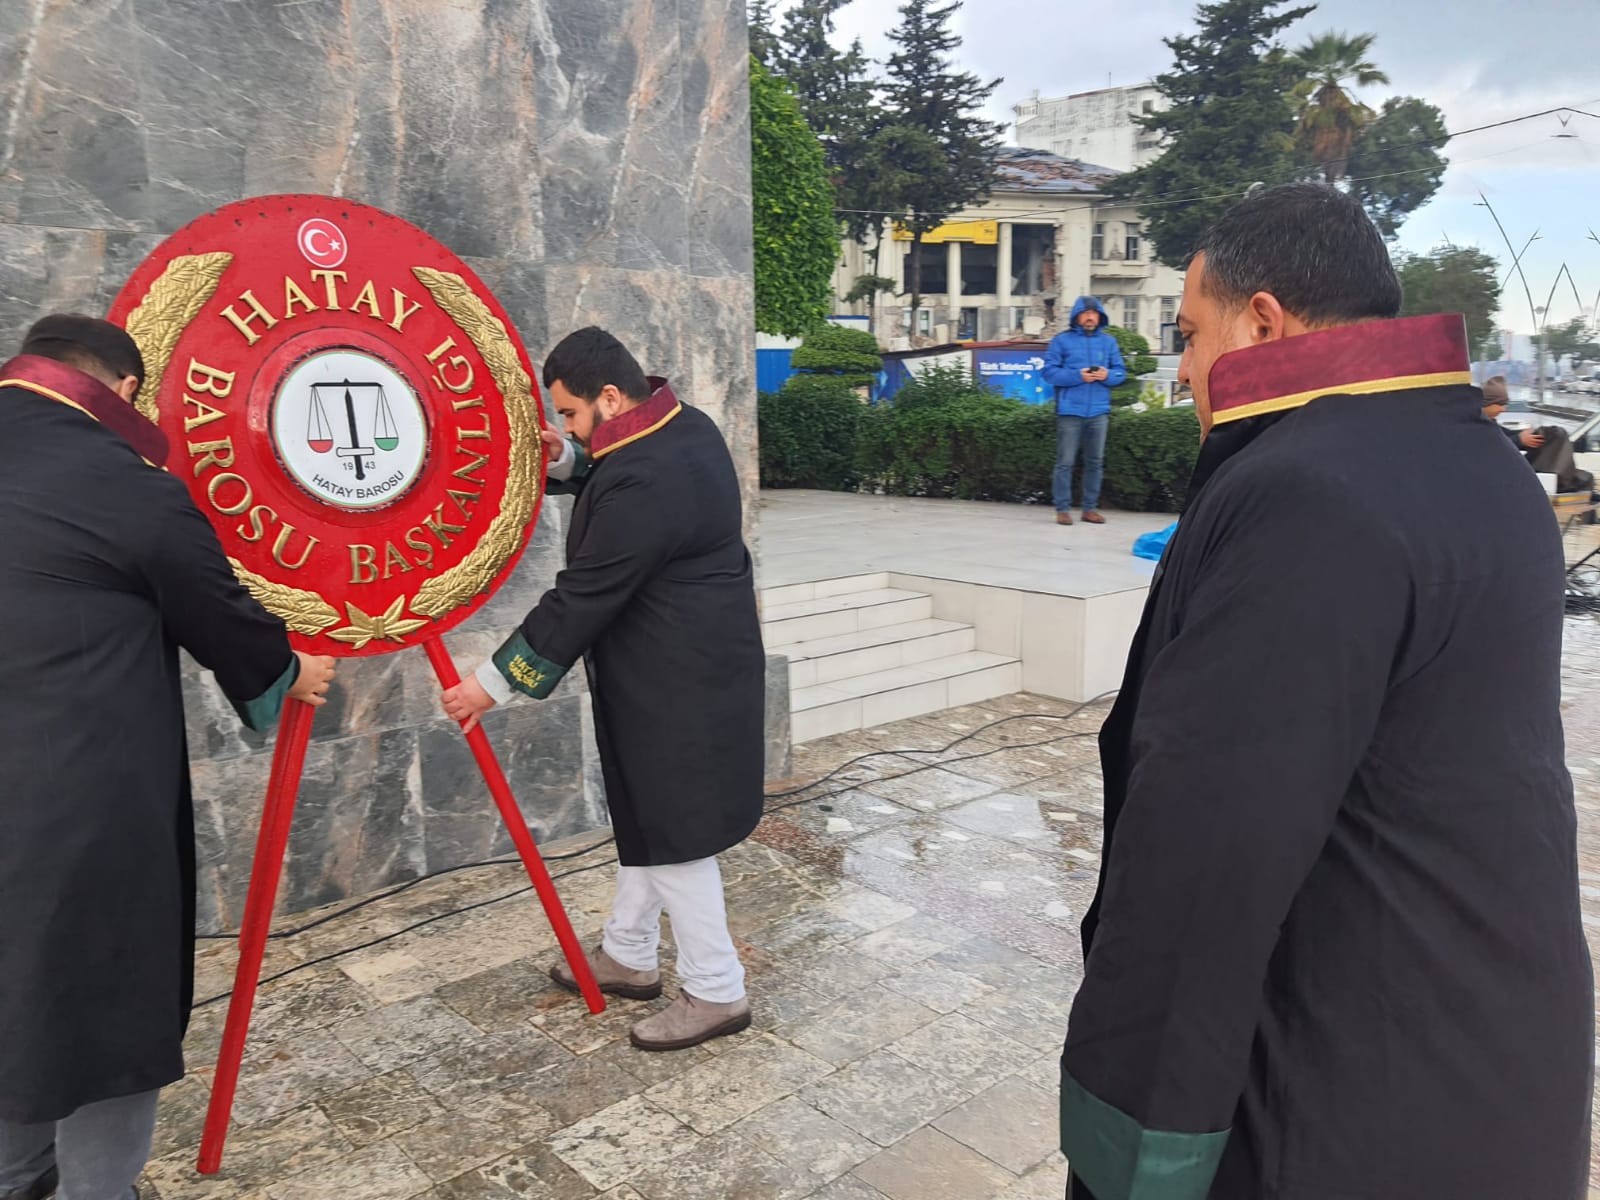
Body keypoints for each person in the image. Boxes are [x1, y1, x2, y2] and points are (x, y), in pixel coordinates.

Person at [1059, 185, 1591, 1199]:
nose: (1181, 371)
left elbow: (1207, 852)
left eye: (1189, 333)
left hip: (1345, 1074)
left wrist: (1130, 1150)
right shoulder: (1479, 463)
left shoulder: (1306, 493)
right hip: (1490, 1037)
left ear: (1261, 319)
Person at [0, 315, 336, 1200]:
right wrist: (292, 670)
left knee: (15, 993)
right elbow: (222, 616)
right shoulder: (127, 483)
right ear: (120, 391)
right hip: (79, 803)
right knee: (104, 998)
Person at [441, 327, 764, 1052]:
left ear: (611, 398)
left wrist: (489, 685)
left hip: (680, 684)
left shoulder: (646, 478)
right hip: (680, 669)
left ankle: (718, 990)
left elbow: (581, 597)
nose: (566, 429)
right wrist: (565, 458)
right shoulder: (682, 428)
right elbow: (613, 471)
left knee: (675, 836)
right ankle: (629, 953)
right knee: (651, 818)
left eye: (570, 416)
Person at [1042, 296, 1127, 526]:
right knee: (1065, 462)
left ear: (1100, 316)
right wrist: (1077, 376)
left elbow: (1121, 372)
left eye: (1094, 313)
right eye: (1085, 313)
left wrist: (1106, 375)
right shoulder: (1061, 341)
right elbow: (1049, 373)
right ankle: (1062, 509)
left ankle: (1090, 509)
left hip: (1099, 412)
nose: (1090, 317)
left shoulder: (1109, 342)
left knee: (1095, 461)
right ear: (1077, 317)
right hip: (1070, 411)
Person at [1482, 376, 1595, 496]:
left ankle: (1565, 483)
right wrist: (1519, 440)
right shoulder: (1475, 426)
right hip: (1498, 476)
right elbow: (1488, 448)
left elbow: (1505, 435)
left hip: (1511, 471)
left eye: (1505, 404)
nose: (1503, 409)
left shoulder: (1490, 423)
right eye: (1500, 404)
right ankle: (1562, 482)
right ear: (1487, 403)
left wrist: (1529, 435)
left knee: (1557, 436)